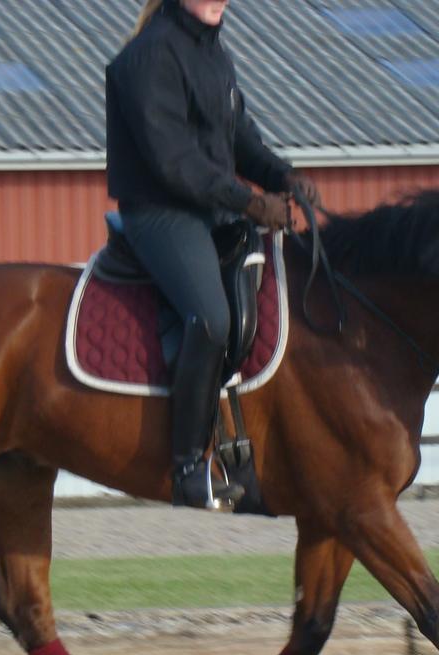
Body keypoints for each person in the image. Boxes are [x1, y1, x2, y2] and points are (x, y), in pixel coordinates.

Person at [106, 0, 321, 509]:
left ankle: (245, 442)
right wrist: (249, 200)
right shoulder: (149, 55)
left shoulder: (214, 53)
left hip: (213, 212)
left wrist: (282, 176)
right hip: (162, 211)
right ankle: (186, 468)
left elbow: (239, 139)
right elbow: (173, 161)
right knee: (211, 318)